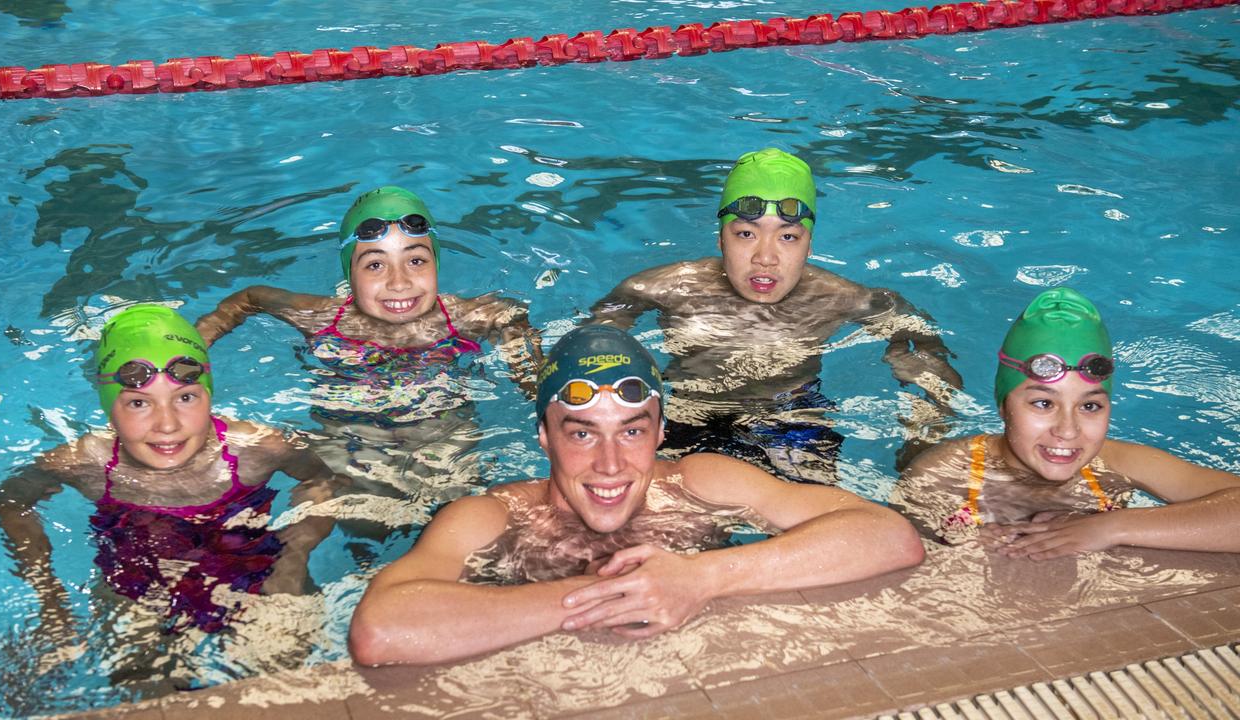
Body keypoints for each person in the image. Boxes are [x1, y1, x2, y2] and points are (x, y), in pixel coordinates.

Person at [347, 325, 924, 666]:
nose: (610, 465)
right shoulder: (493, 517)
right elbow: (381, 630)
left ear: (662, 433)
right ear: (544, 437)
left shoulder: (702, 483)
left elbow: (889, 536)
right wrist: (617, 596)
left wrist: (702, 579)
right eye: (581, 432)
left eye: (631, 429)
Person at [588, 148, 963, 484]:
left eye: (787, 237)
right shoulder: (663, 288)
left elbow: (923, 344)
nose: (765, 257)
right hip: (690, 416)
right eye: (746, 234)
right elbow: (590, 348)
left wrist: (920, 400)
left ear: (809, 246)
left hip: (793, 419)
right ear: (721, 240)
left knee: (813, 534)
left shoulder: (841, 297)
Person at [0, 305, 344, 641]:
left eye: (186, 397)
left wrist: (293, 557)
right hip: (136, 584)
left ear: (208, 395)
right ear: (109, 410)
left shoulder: (256, 448)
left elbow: (324, 481)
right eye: (139, 403)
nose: (167, 424)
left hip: (253, 567)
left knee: (281, 656)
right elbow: (9, 501)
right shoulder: (85, 463)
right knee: (138, 674)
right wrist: (50, 597)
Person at [195, 185, 542, 493]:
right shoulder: (323, 318)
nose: (399, 282)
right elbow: (251, 297)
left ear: (437, 263)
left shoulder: (467, 317)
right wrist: (196, 345)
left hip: (443, 435)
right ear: (350, 273)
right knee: (356, 513)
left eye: (416, 260)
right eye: (375, 265)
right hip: (350, 439)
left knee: (454, 503)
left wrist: (528, 374)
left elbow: (510, 316)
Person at [893, 287, 1240, 557]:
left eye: (1090, 406)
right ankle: (924, 365)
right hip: (952, 461)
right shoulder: (939, 477)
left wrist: (1112, 527)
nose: (1068, 431)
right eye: (1043, 403)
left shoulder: (1118, 462)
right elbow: (898, 559)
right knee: (924, 431)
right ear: (1002, 405)